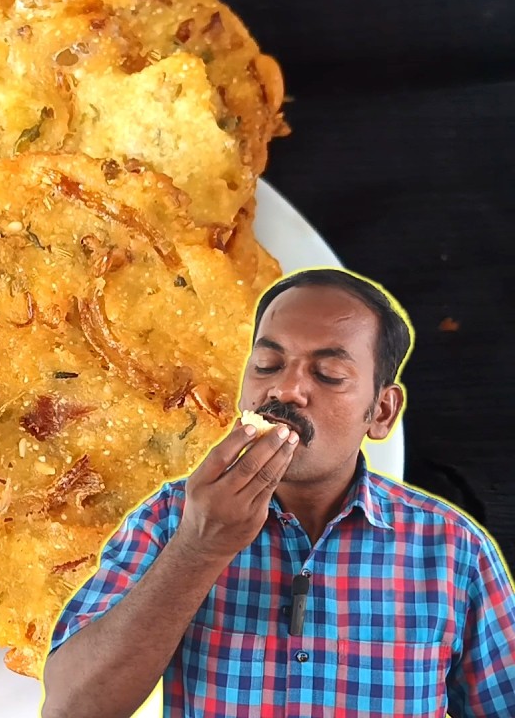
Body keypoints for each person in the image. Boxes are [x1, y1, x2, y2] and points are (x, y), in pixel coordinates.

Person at [40, 269, 515, 718]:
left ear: (382, 412)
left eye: (328, 374)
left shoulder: (454, 550)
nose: (286, 390)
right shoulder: (171, 518)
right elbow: (70, 707)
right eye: (267, 364)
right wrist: (198, 548)